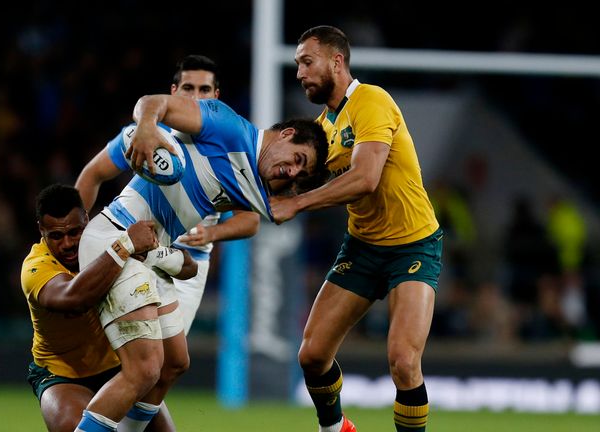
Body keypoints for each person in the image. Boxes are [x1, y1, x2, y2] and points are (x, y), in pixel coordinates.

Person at [74, 95, 328, 432]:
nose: (292, 171)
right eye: (297, 158)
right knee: (145, 369)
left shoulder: (254, 181)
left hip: (149, 255)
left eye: (300, 171)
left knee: (173, 364)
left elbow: (270, 215)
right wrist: (148, 127)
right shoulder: (226, 126)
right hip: (117, 236)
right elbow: (151, 102)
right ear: (285, 133)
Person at [270, 25, 443, 432]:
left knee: (403, 360)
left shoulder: (371, 101)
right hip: (363, 247)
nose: (300, 72)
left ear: (337, 61)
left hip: (413, 246)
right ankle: (335, 429)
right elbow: (288, 178)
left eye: (307, 61)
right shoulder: (322, 129)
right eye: (297, 64)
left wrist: (296, 203)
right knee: (311, 355)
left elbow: (365, 177)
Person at [22, 184, 196, 432]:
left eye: (75, 231)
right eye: (56, 236)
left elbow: (190, 268)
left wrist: (153, 255)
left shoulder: (108, 238)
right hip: (63, 374)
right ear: (42, 230)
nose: (68, 243)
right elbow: (75, 298)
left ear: (86, 218)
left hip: (121, 369)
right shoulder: (36, 267)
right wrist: (123, 248)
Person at [167, 54, 260, 335]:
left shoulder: (229, 150)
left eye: (204, 90)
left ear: (216, 95)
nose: (196, 97)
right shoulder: (150, 133)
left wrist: (210, 234)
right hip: (144, 254)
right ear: (174, 92)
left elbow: (251, 221)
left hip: (192, 263)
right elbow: (95, 174)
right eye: (188, 88)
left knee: (170, 365)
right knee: (139, 359)